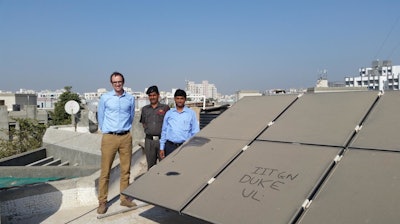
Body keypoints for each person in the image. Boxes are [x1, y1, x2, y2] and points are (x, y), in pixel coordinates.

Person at [96, 72, 136, 214]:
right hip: (109, 138)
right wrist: (108, 131)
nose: (117, 84)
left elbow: (131, 116)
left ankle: (124, 198)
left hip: (125, 137)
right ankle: (102, 202)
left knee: (125, 170)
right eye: (115, 82)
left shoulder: (130, 98)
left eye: (119, 82)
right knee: (105, 171)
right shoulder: (105, 98)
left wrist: (124, 131)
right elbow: (100, 116)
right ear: (111, 83)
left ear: (123, 82)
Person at [159, 89, 200, 159]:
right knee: (170, 167)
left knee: (183, 167)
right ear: (174, 99)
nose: (179, 101)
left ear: (185, 99)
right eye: (177, 98)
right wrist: (162, 147)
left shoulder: (191, 113)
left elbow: (195, 131)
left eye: (181, 98)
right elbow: (164, 131)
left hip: (185, 146)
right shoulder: (169, 113)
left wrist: (194, 147)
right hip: (170, 147)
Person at [140, 85, 170, 170]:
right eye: (150, 95)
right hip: (149, 142)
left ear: (158, 95)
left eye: (154, 95)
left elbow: (169, 124)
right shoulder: (145, 109)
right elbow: (143, 123)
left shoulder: (165, 108)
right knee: (150, 166)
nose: (152, 97)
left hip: (162, 141)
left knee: (164, 165)